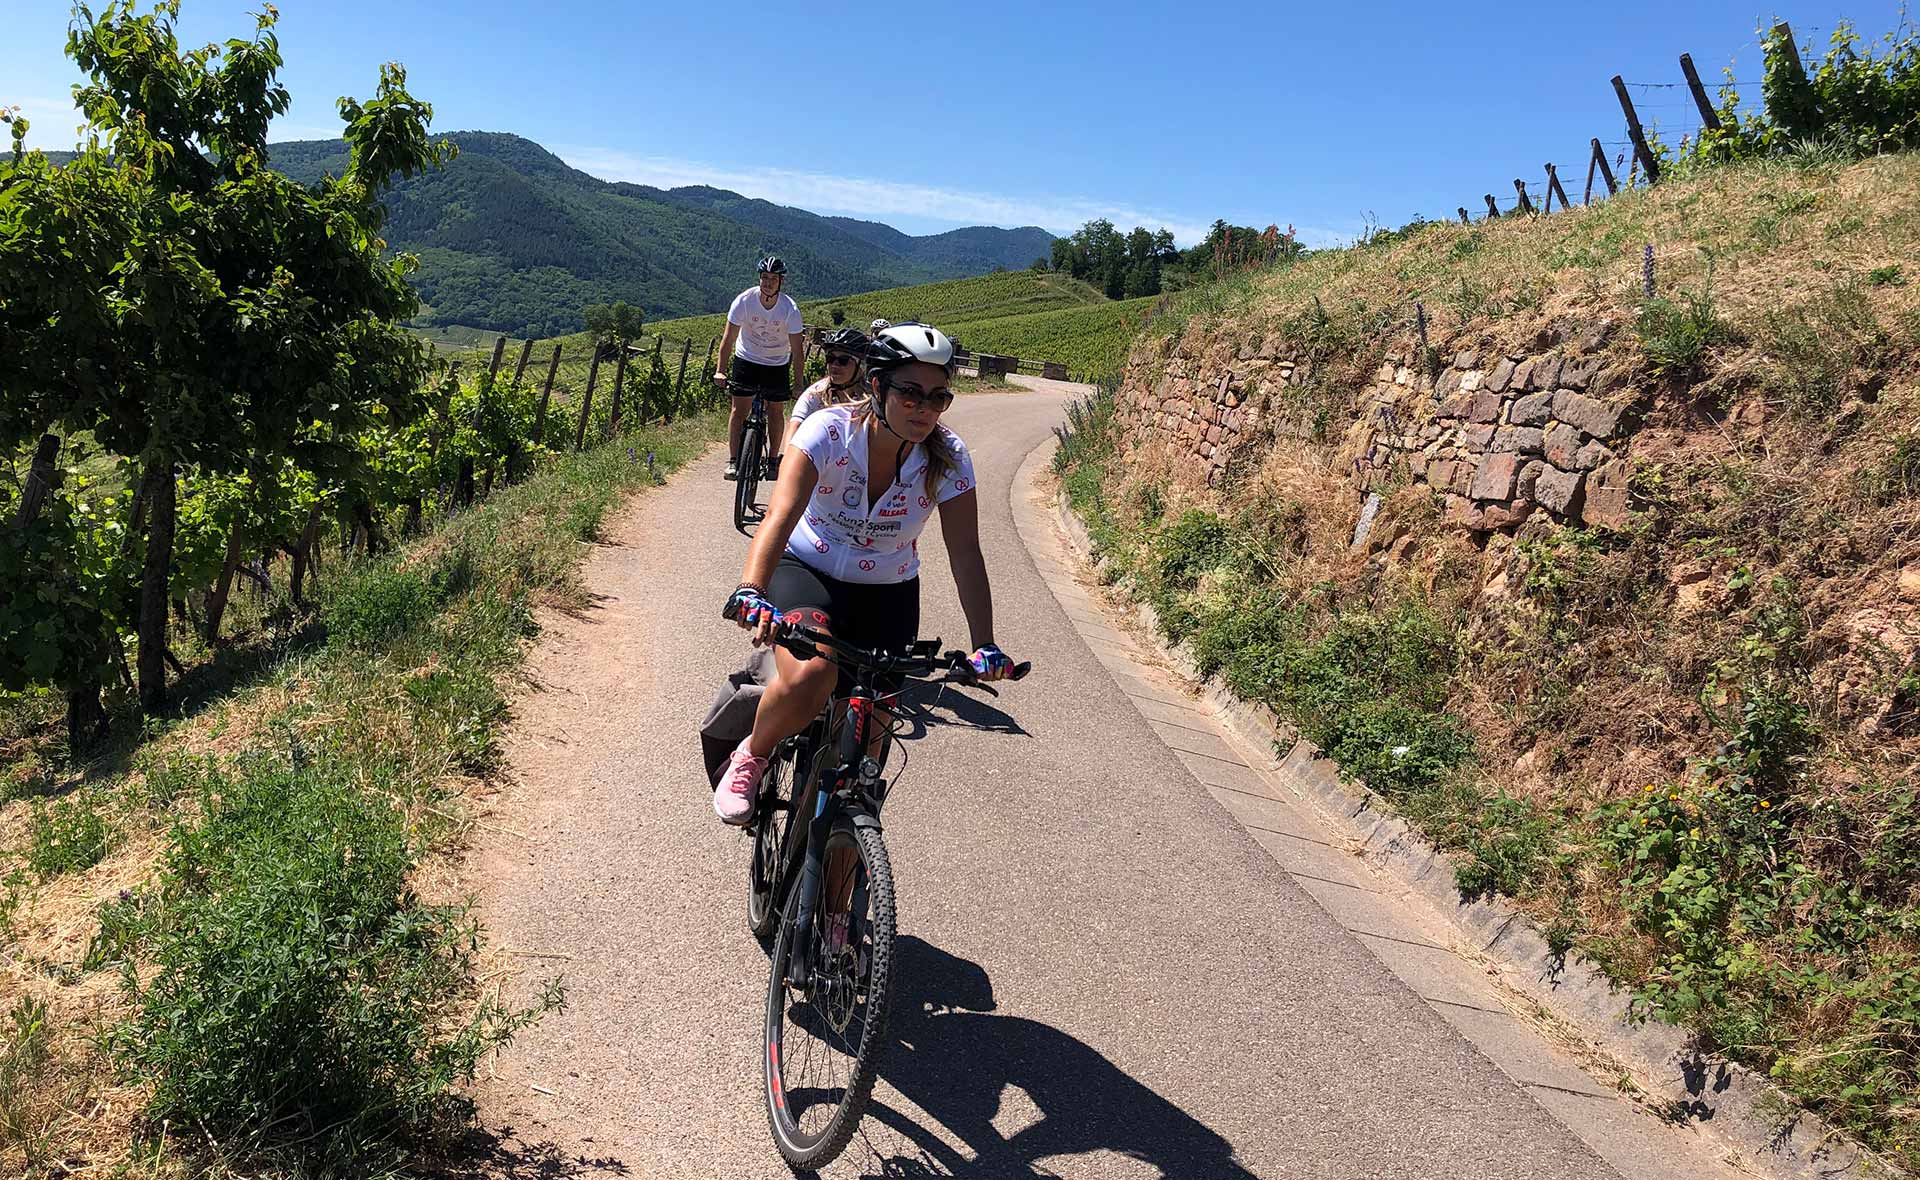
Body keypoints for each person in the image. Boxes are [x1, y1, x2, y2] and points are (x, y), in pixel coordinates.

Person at [714, 322, 1017, 824]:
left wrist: (984, 642)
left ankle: (837, 888)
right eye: (911, 393)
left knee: (867, 759)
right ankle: (752, 753)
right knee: (814, 675)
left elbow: (966, 553)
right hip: (809, 569)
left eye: (938, 397)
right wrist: (753, 589)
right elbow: (781, 515)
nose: (924, 409)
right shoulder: (828, 432)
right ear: (877, 386)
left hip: (889, 594)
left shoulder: (949, 458)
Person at [715, 256, 807, 481]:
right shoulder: (744, 301)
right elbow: (728, 339)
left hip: (776, 363)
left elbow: (797, 350)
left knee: (776, 411)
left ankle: (774, 459)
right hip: (747, 358)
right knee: (738, 410)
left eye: (773, 279)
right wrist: (721, 370)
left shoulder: (790, 309)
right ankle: (734, 460)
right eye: (764, 277)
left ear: (780, 281)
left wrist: (797, 384)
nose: (767, 283)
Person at [781, 326, 867, 456]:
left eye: (843, 361)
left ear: (861, 366)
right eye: (830, 358)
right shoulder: (816, 393)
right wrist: (787, 459)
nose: (834, 365)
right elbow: (795, 427)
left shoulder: (873, 400)